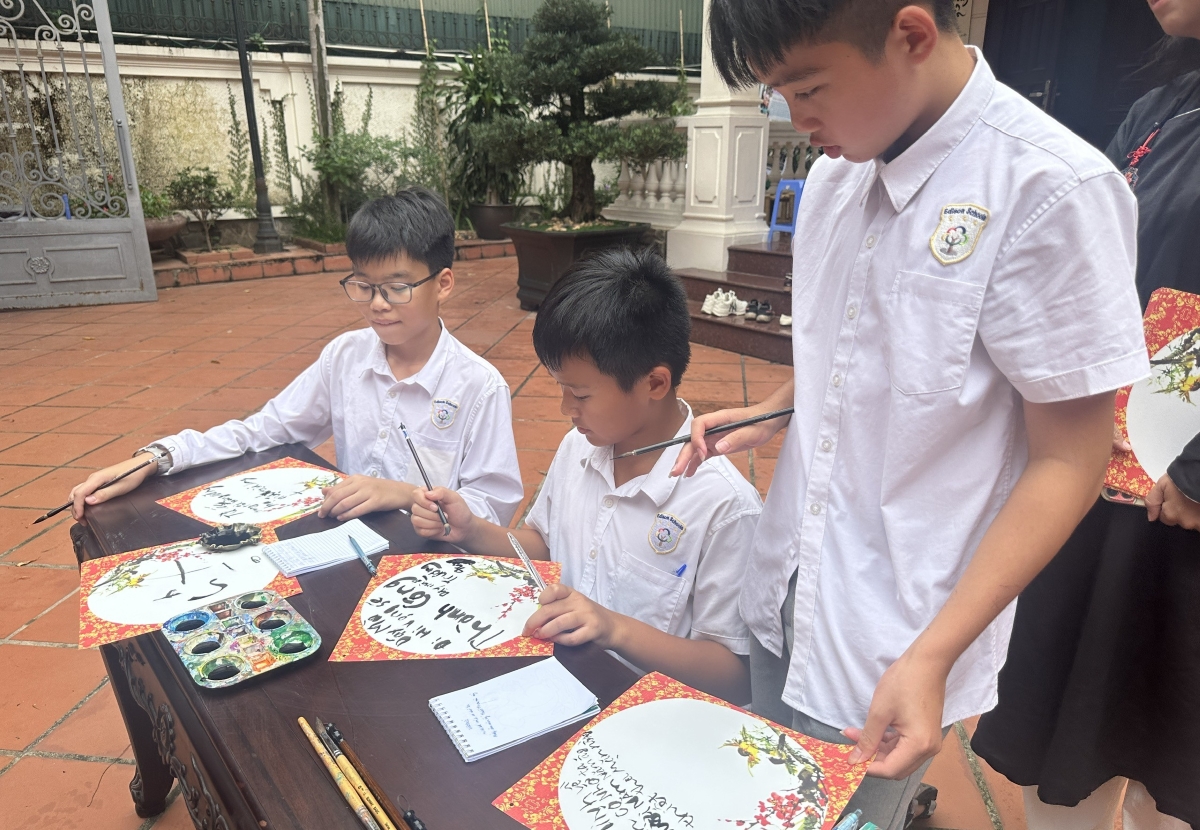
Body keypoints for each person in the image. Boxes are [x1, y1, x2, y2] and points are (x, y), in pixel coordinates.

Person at [672, 1, 1150, 827]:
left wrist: (933, 656)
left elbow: (1070, 459)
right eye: (777, 94)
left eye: (808, 88)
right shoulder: (837, 174)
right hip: (787, 578)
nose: (796, 119)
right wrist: (781, 410)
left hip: (894, 630)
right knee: (759, 797)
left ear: (913, 35)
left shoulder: (1049, 190)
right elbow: (860, 349)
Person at [970, 2, 1200, 826]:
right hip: (1110, 463)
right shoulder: (1159, 107)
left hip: (1183, 496)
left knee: (1173, 746)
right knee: (1070, 723)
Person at [411, 249, 761, 703]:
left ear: (655, 383)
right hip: (557, 684)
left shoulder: (725, 506)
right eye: (561, 389)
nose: (566, 409)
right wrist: (470, 529)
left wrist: (613, 627)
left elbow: (735, 675)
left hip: (642, 714)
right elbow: (545, 545)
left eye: (580, 394)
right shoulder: (579, 447)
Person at [68, 188, 523, 527]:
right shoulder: (345, 357)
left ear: (443, 284)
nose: (378, 304)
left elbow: (494, 507)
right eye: (363, 286)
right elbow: (264, 431)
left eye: (397, 287)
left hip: (428, 565)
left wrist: (404, 495)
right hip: (347, 540)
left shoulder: (477, 386)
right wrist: (158, 458)